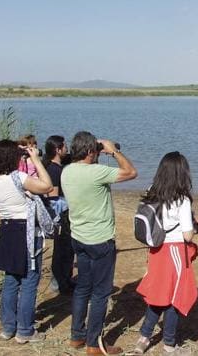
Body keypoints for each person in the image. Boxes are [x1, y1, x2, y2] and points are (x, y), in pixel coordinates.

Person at [61, 131, 137, 355]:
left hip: (79, 238)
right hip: (100, 240)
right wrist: (113, 151)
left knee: (83, 288)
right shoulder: (96, 172)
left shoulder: (67, 171)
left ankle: (77, 336)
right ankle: (94, 344)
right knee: (101, 293)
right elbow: (131, 172)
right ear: (91, 152)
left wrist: (99, 150)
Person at [0, 139, 53, 343]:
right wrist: (36, 160)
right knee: (30, 281)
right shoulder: (18, 177)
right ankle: (25, 331)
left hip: (7, 230)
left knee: (11, 279)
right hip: (26, 230)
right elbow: (47, 186)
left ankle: (8, 327)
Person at [133, 151, 198, 355]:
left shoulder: (152, 190)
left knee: (157, 294)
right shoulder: (182, 199)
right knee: (174, 298)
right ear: (182, 173)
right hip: (175, 251)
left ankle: (143, 338)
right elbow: (188, 236)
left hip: (156, 250)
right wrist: (195, 228)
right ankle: (169, 344)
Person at [42, 135, 75, 295]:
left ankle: (64, 280)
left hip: (64, 215)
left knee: (66, 249)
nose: (67, 148)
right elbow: (53, 198)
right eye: (65, 146)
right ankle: (59, 282)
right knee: (63, 249)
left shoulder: (56, 167)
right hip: (61, 216)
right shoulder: (54, 170)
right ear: (58, 149)